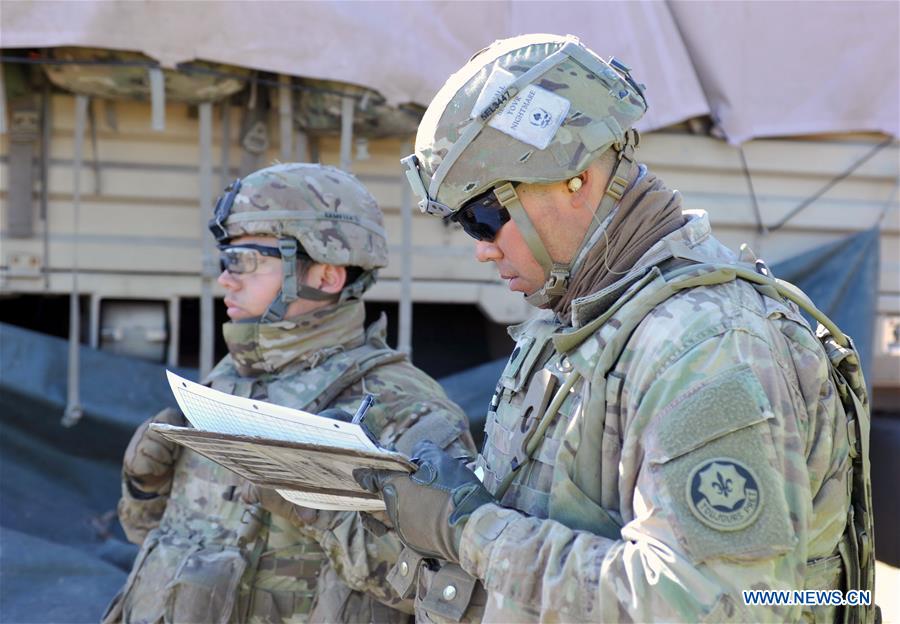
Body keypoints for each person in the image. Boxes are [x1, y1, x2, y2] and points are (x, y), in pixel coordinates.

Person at [355, 34, 877, 622]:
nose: (481, 250)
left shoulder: (704, 344)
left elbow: (717, 605)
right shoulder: (579, 321)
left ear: (575, 179)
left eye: (483, 217)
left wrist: (472, 530)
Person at [104, 163, 476, 624]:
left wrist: (322, 512)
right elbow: (161, 544)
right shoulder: (229, 380)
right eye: (225, 260)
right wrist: (144, 490)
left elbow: (448, 591)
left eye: (245, 261)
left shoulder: (402, 407)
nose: (226, 278)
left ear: (325, 274)